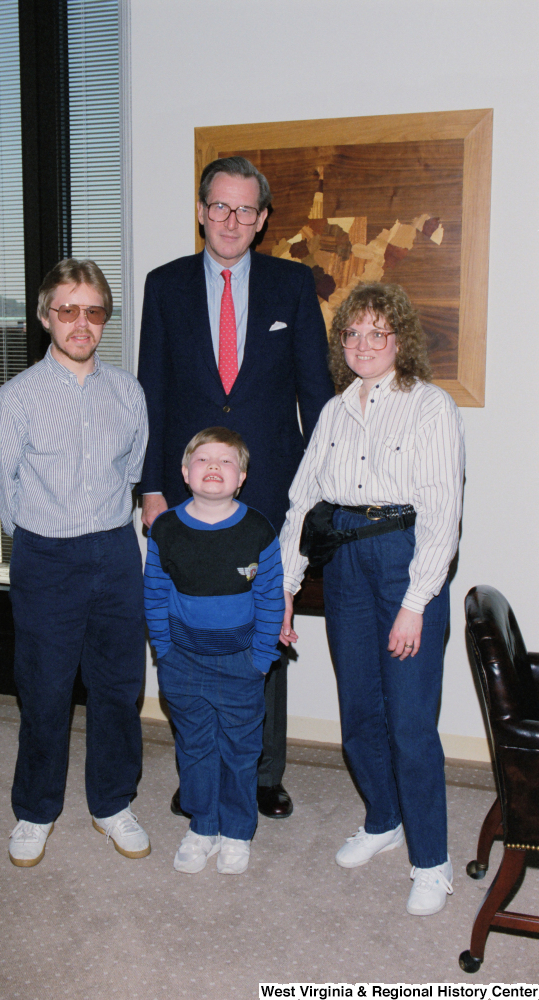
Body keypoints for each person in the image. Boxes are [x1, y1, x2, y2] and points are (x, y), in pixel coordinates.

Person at [137, 156, 333, 819]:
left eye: (245, 210)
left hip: (269, 490)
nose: (231, 220)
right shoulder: (163, 286)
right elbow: (152, 394)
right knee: (191, 622)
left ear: (263, 220)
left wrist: (310, 492)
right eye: (219, 206)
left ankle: (259, 774)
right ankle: (201, 765)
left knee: (262, 625)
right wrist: (153, 490)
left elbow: (317, 394)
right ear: (200, 211)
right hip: (188, 497)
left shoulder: (291, 284)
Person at [279, 282, 465, 916]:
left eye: (376, 333)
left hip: (405, 562)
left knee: (410, 721)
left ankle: (431, 860)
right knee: (359, 707)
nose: (362, 344)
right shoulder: (333, 411)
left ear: (399, 340)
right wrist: (286, 586)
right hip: (347, 565)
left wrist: (416, 601)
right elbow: (303, 503)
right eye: (352, 333)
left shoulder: (430, 407)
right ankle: (383, 820)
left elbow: (442, 513)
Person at [0, 258, 150, 868]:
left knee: (119, 686)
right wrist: (44, 533)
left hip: (114, 553)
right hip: (46, 556)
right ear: (46, 316)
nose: (82, 322)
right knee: (45, 689)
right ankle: (35, 810)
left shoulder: (128, 393)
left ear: (105, 318)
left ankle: (112, 803)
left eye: (94, 310)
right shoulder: (16, 399)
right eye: (68, 309)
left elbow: (131, 474)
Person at [144, 428, 285, 874]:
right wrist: (163, 652)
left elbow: (270, 598)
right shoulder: (165, 528)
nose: (213, 468)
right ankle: (203, 825)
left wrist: (261, 658)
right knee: (196, 746)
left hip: (241, 663)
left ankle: (238, 831)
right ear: (185, 473)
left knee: (242, 749)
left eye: (226, 462)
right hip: (182, 662)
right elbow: (154, 594)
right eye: (203, 460)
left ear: (241, 477)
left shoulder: (259, 528)